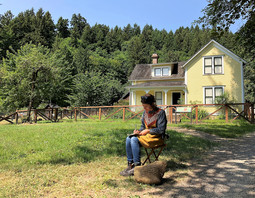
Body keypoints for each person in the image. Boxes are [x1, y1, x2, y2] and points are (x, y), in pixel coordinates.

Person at [120, 93, 167, 176]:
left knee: (134, 139)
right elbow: (143, 127)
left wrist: (148, 131)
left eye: (146, 106)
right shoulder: (145, 113)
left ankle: (137, 166)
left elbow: (161, 130)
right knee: (129, 138)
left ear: (152, 104)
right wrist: (139, 131)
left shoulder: (161, 113)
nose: (144, 108)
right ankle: (130, 164)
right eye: (143, 106)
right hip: (146, 136)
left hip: (157, 138)